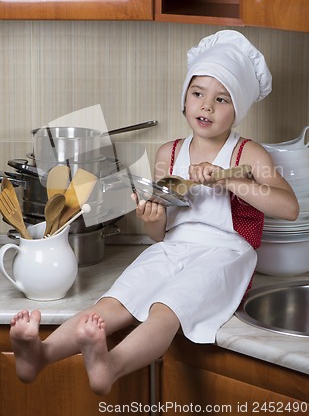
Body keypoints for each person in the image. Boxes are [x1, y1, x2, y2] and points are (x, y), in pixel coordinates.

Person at [10, 30, 299, 396]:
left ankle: (110, 366)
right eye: (198, 94)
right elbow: (161, 233)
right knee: (115, 303)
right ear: (184, 99)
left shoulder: (249, 154)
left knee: (165, 309)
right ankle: (41, 353)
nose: (206, 106)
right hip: (172, 248)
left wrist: (231, 182)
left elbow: (289, 208)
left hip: (225, 254)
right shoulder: (169, 152)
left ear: (237, 108)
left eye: (221, 99)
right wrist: (151, 218)